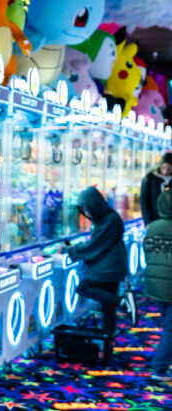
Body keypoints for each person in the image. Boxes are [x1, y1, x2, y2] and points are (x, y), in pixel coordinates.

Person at [66, 187, 136, 332]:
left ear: (95, 205)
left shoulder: (110, 220)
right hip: (112, 265)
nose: (86, 213)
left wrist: (73, 250)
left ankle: (122, 301)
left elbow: (97, 244)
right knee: (108, 308)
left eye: (87, 209)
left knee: (84, 288)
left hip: (109, 266)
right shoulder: (107, 218)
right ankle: (107, 343)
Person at [142, 188, 172, 381]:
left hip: (155, 283)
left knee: (168, 325)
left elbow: (147, 251)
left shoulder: (152, 227)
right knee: (171, 329)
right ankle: (159, 369)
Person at [140, 152, 172, 225]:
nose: (165, 171)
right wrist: (147, 221)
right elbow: (144, 199)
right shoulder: (150, 178)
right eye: (163, 168)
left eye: (169, 169)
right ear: (159, 166)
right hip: (154, 217)